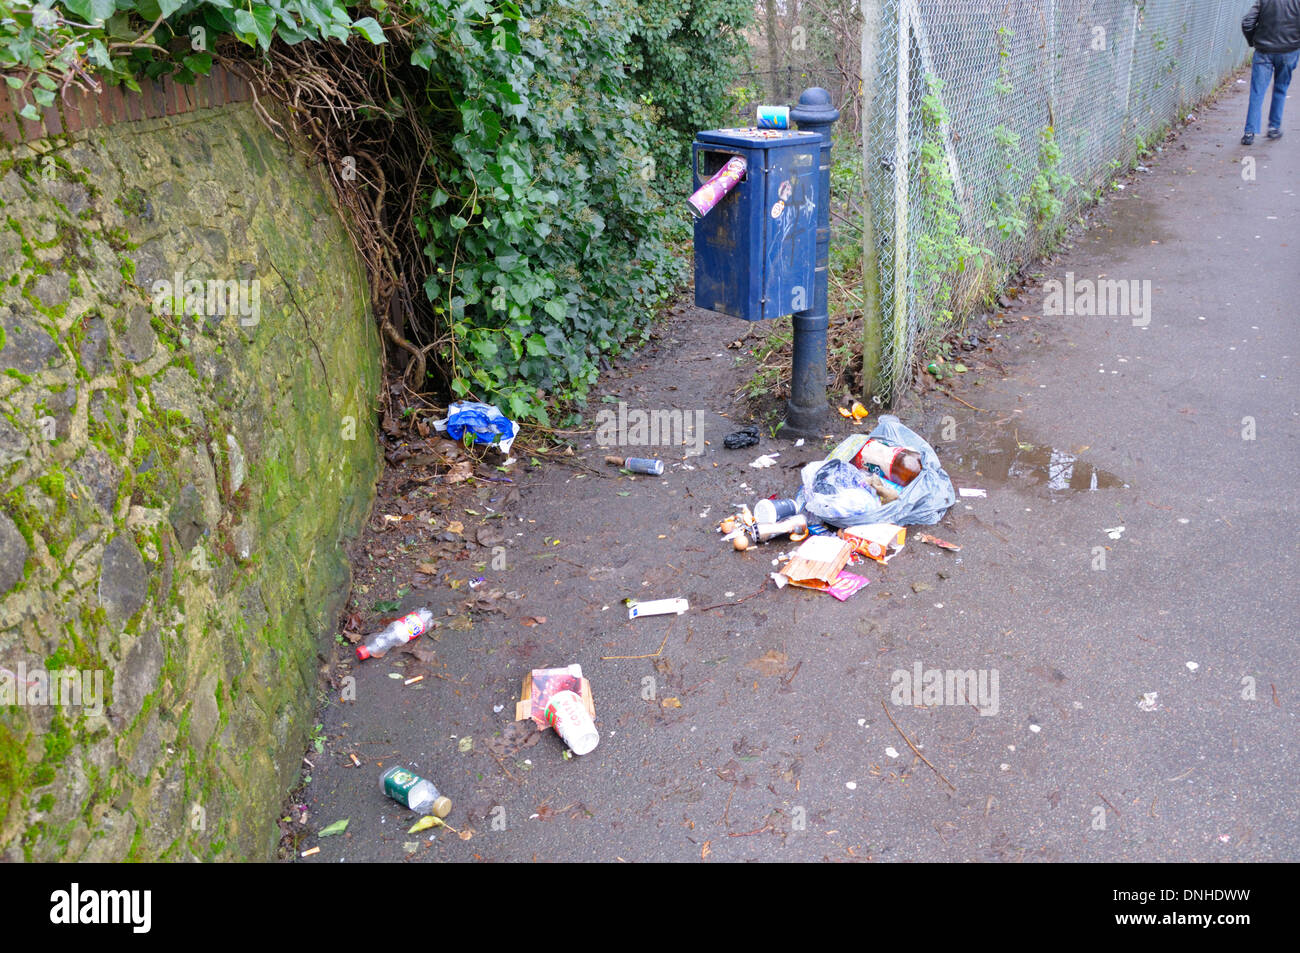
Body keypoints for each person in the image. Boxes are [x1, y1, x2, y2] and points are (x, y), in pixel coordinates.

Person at [1241, 0, 1300, 144]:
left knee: (1257, 91)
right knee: (1280, 89)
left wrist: (1253, 41)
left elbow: (1247, 22)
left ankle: (1249, 132)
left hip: (1263, 51)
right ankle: (1274, 127)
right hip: (1289, 51)